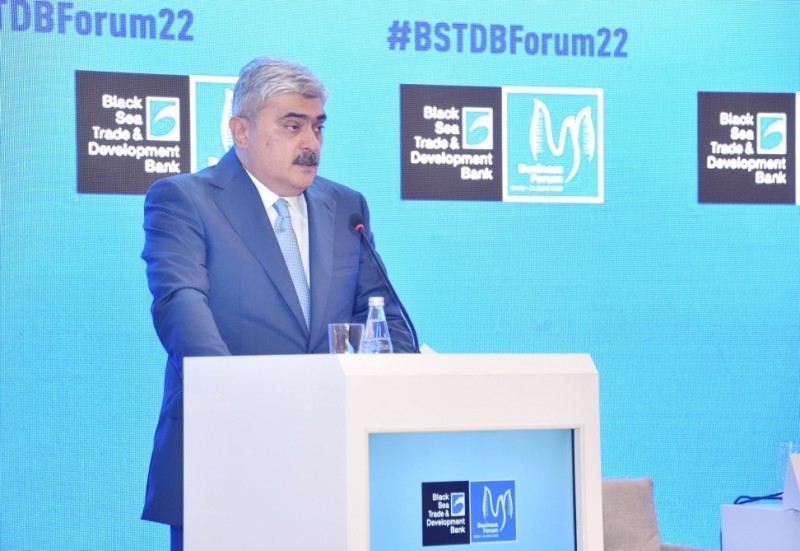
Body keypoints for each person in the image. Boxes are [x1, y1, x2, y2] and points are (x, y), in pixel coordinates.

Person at [140, 56, 415, 550]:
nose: (311, 143)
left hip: (335, 461)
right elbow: (181, 306)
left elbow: (382, 313)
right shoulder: (185, 200)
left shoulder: (345, 206)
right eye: (292, 125)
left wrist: (394, 384)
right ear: (241, 131)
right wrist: (243, 402)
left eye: (317, 127)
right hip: (226, 454)